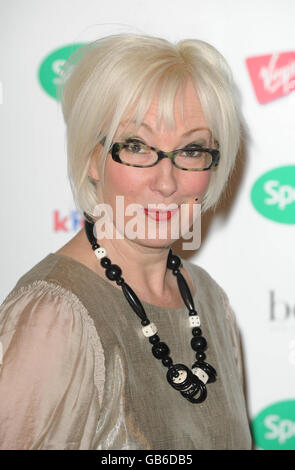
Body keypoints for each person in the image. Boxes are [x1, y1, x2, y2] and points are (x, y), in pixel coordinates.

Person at [0, 33, 252, 450]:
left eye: (191, 150)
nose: (167, 181)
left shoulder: (208, 300)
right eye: (137, 146)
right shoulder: (55, 316)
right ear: (90, 159)